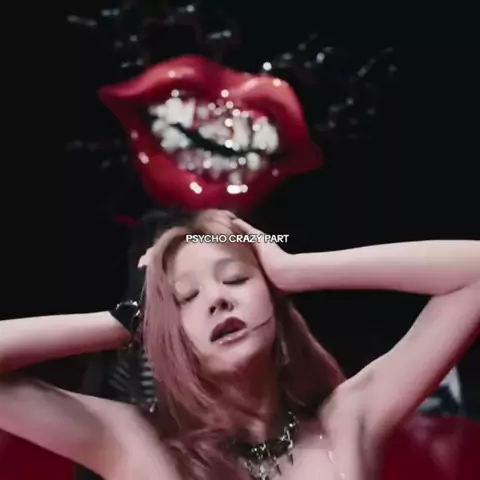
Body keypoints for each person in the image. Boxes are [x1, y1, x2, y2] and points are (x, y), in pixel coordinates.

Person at [1, 210, 479, 480]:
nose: (217, 299)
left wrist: (295, 269)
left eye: (235, 278)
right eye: (186, 297)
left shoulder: (346, 422)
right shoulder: (139, 446)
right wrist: (126, 320)